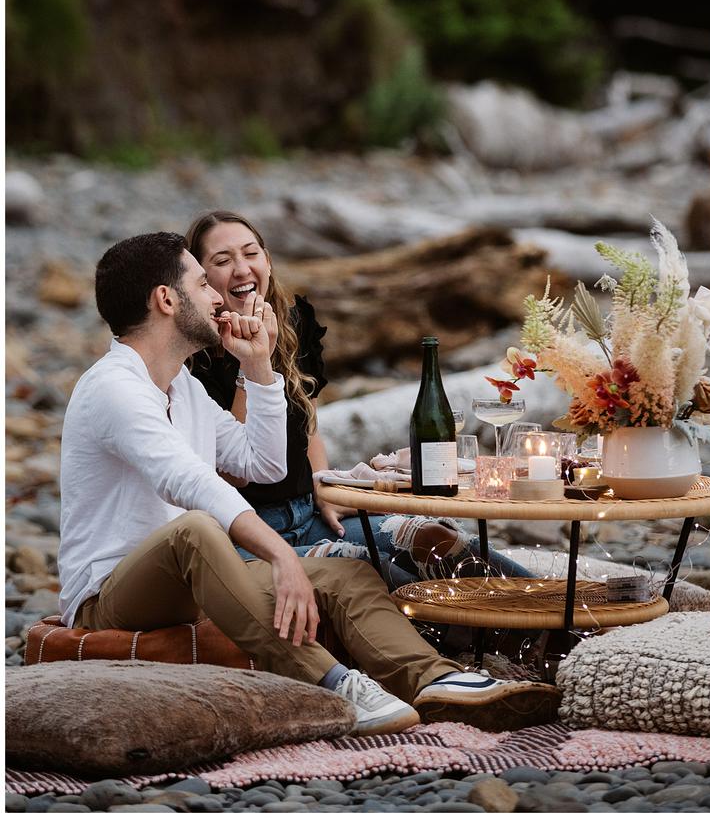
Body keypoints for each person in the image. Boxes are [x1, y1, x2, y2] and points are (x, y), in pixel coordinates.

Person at [58, 232, 559, 735]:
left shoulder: (181, 385)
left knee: (347, 575)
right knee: (196, 527)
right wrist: (280, 556)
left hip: (191, 577)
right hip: (109, 595)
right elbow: (189, 482)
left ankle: (436, 681)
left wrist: (257, 367)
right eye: (200, 282)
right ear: (166, 300)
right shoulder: (114, 387)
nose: (215, 294)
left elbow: (265, 463)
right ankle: (339, 685)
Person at [184, 210, 529, 585]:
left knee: (436, 539)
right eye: (222, 260)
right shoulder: (192, 357)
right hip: (245, 534)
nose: (241, 269)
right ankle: (485, 639)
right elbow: (231, 472)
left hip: (309, 513)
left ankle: (558, 611)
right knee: (369, 568)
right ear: (200, 278)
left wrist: (322, 484)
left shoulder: (291, 321)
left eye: (251, 254)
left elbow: (307, 422)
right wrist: (250, 364)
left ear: (267, 260)